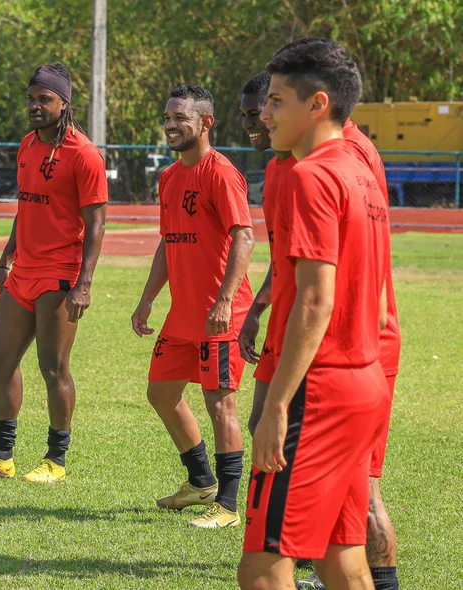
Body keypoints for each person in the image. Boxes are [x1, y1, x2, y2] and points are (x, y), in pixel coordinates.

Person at [239, 38, 390, 590]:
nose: (265, 113)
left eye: (277, 101)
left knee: (261, 567)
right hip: (362, 382)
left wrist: (277, 406)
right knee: (340, 559)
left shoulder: (311, 175)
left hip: (318, 391)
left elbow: (315, 299)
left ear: (317, 105)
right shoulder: (361, 170)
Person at [0, 63, 107, 484]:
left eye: (45, 99)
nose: (35, 106)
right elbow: (26, 209)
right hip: (23, 272)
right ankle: (1, 457)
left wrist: (83, 284)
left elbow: (96, 225)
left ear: (64, 104)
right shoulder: (26, 145)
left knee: (53, 368)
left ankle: (55, 460)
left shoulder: (85, 154)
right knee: (0, 359)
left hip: (60, 275)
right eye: (31, 98)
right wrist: (5, 262)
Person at [131, 85, 255, 529]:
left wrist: (225, 300)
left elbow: (245, 235)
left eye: (180, 117)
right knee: (161, 393)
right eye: (167, 117)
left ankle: (227, 503)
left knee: (220, 404)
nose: (169, 124)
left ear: (205, 123)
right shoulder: (168, 178)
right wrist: (147, 299)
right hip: (182, 315)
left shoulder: (220, 173)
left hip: (220, 314)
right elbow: (168, 242)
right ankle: (200, 481)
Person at [236, 71, 296, 436]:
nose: (249, 123)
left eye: (255, 113)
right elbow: (282, 258)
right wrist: (257, 310)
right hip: (282, 316)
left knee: (284, 428)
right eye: (243, 115)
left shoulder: (316, 169)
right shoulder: (274, 170)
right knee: (260, 423)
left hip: (309, 322)